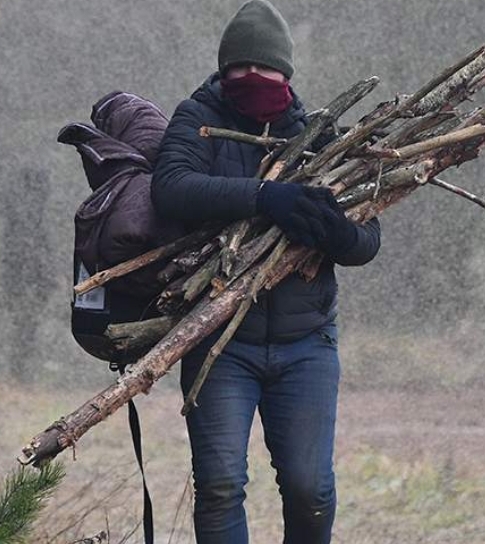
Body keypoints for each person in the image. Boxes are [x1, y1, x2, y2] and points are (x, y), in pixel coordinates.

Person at [150, 1, 381, 542]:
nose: (252, 78)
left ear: (287, 72)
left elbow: (366, 241)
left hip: (307, 344)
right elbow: (172, 188)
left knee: (310, 489)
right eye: (239, 68)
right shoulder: (198, 116)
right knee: (222, 485)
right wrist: (263, 196)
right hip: (219, 342)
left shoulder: (321, 135)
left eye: (265, 68)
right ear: (223, 69)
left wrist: (335, 231)